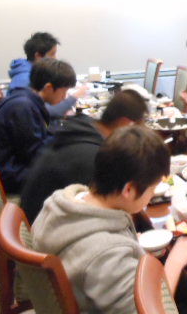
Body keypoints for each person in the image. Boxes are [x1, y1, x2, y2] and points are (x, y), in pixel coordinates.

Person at [32, 126, 187, 314]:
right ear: (128, 190)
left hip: (90, 303)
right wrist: (175, 262)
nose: (152, 195)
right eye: (152, 189)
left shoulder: (62, 203)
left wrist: (130, 242)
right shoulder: (106, 254)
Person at [20, 89, 148, 223]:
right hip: (44, 223)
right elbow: (102, 208)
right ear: (125, 123)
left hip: (36, 208)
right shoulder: (94, 157)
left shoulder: (84, 127)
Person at [0, 58, 76, 192]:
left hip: (16, 167)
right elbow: (35, 155)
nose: (64, 97)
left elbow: (38, 139)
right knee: (70, 170)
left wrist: (61, 130)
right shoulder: (22, 107)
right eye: (64, 92)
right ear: (49, 88)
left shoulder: (25, 98)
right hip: (11, 176)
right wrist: (64, 132)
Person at [7, 31, 87, 117]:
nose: (55, 58)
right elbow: (46, 112)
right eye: (52, 54)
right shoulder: (25, 80)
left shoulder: (32, 70)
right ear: (38, 56)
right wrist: (75, 97)